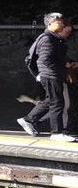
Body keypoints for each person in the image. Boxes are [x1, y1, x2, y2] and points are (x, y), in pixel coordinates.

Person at [18, 13, 74, 142]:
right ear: (50, 24)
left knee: (51, 101)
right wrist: (60, 68)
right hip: (50, 75)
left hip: (51, 75)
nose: (62, 23)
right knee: (57, 103)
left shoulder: (54, 38)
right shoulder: (47, 38)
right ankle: (56, 132)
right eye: (58, 21)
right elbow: (45, 59)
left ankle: (28, 119)